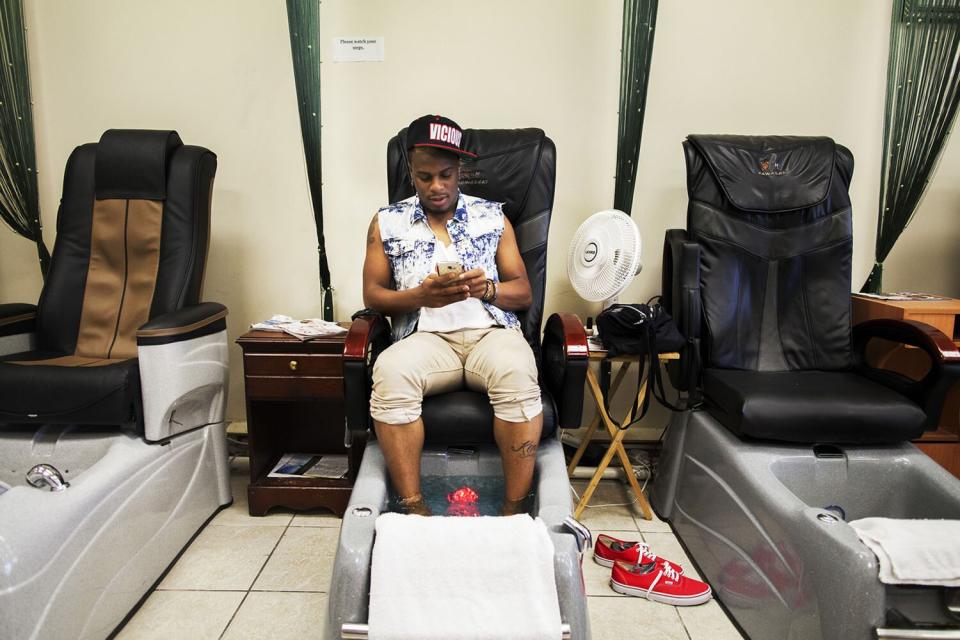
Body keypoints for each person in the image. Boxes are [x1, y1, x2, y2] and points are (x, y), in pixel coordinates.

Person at [362, 114, 542, 516]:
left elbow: (523, 292)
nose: (437, 187)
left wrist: (488, 289)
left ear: (461, 170)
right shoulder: (387, 222)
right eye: (425, 177)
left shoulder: (492, 217)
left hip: (490, 335)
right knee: (390, 374)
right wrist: (419, 296)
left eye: (446, 174)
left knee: (517, 373)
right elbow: (373, 295)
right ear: (410, 171)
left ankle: (514, 510)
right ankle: (414, 507)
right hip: (425, 341)